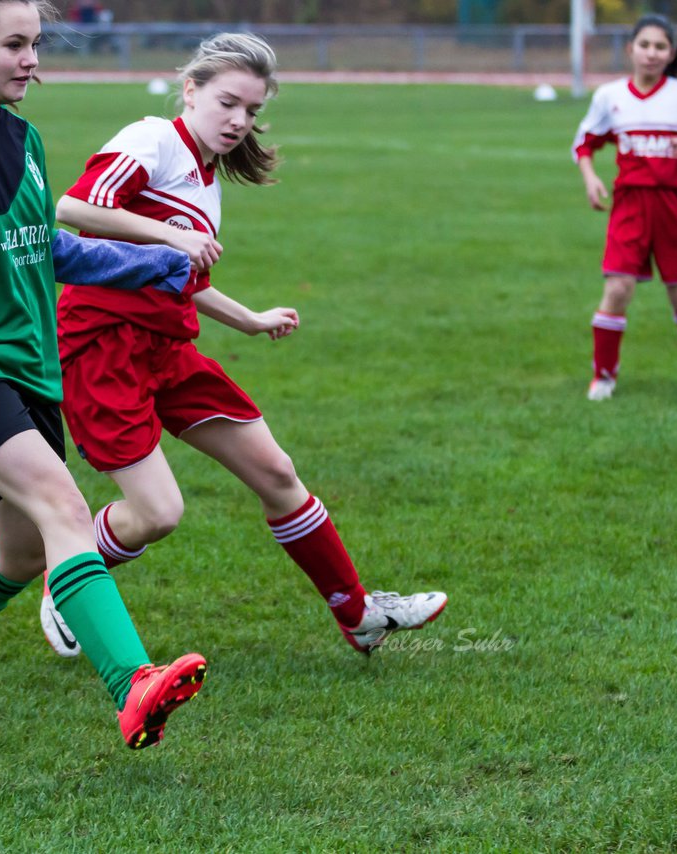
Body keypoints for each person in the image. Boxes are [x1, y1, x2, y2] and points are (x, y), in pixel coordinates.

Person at [38, 33, 447, 659]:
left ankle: (358, 614)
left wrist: (249, 320)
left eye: (252, 111)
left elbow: (185, 280)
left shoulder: (208, 182)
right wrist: (167, 238)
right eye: (229, 103)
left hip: (168, 349)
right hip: (102, 349)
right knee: (156, 514)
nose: (239, 121)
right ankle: (67, 574)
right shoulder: (153, 137)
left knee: (277, 472)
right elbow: (71, 209)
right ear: (191, 90)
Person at [0, 0, 208, 750]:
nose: (32, 60)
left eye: (36, 44)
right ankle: (133, 683)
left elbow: (44, 247)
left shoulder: (21, 136)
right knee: (62, 505)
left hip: (28, 366)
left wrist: (155, 264)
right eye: (14, 44)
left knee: (21, 553)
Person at [572, 14, 677, 402]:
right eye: (644, 45)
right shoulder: (610, 96)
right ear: (630, 49)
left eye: (660, 47)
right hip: (630, 206)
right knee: (618, 289)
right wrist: (591, 178)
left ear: (671, 54)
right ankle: (603, 376)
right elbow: (583, 143)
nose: (651, 54)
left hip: (675, 206)